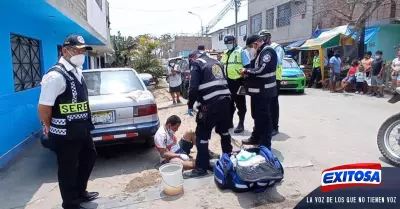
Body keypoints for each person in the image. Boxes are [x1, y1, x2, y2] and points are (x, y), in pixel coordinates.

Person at [37, 35, 98, 209]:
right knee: (67, 168)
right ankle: (70, 203)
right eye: (77, 50)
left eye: (83, 50)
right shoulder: (55, 76)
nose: (81, 53)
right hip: (64, 133)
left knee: (89, 157)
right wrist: (48, 127)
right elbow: (43, 107)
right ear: (65, 51)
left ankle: (80, 192)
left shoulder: (77, 71)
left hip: (81, 129)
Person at [185, 50, 233, 178]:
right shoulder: (218, 62)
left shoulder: (197, 64)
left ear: (194, 57)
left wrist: (190, 104)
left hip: (210, 105)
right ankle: (228, 160)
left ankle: (201, 168)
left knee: (202, 136)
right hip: (226, 103)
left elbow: (193, 88)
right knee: (224, 132)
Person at [240, 34, 278, 149]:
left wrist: (247, 71)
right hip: (257, 91)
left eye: (251, 47)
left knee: (264, 117)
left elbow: (261, 69)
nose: (251, 49)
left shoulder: (268, 52)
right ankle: (255, 137)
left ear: (256, 43)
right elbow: (253, 66)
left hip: (265, 91)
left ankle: (265, 143)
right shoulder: (259, 52)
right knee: (256, 115)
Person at [258, 30, 284, 136]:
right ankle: (267, 126)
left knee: (273, 104)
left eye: (264, 38)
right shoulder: (262, 49)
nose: (262, 40)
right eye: (260, 38)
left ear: (268, 38)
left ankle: (275, 127)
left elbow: (277, 62)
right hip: (265, 80)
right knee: (266, 105)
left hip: (275, 79)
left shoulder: (276, 48)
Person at [220, 34, 247, 133]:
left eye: (230, 43)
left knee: (240, 104)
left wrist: (245, 82)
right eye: (226, 43)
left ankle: (241, 124)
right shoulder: (226, 53)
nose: (228, 45)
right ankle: (229, 122)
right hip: (227, 82)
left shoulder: (241, 51)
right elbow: (222, 65)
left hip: (238, 81)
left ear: (234, 42)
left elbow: (247, 66)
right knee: (228, 104)